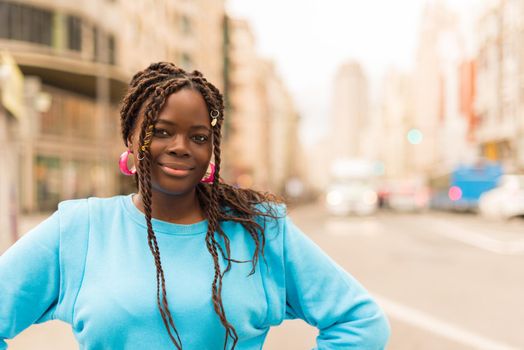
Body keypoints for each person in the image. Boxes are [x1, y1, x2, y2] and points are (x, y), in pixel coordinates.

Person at [0, 62, 390, 350]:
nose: (180, 146)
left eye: (198, 136)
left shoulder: (260, 229)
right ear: (131, 139)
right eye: (162, 131)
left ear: (212, 150)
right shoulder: (81, 228)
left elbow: (361, 322)